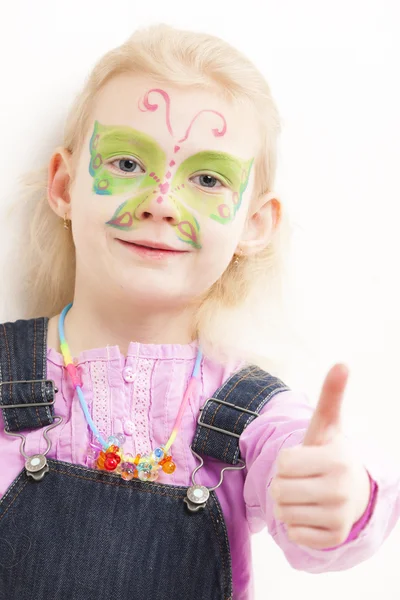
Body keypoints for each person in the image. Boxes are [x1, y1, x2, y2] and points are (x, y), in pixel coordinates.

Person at [0, 24, 398, 600]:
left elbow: (300, 465)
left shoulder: (253, 417)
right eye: (129, 163)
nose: (162, 202)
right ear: (64, 185)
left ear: (254, 225)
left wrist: (343, 493)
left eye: (208, 178)